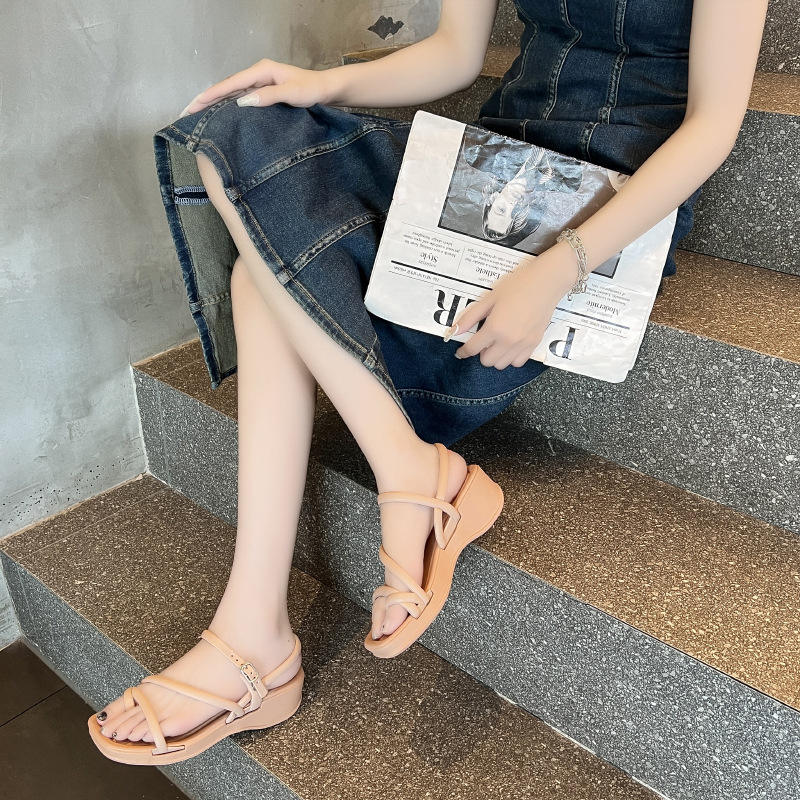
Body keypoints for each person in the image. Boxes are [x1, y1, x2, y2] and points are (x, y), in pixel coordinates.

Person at [88, 0, 768, 764]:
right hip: (496, 167)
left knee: (261, 279)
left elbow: (713, 126)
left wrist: (558, 270)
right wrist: (320, 84)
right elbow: (455, 52)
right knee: (235, 140)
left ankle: (260, 637)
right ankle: (398, 477)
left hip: (613, 197)